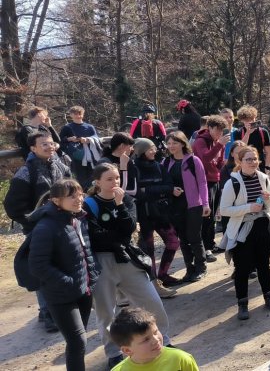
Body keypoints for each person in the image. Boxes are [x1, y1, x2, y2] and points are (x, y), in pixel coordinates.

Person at [83, 163, 172, 368]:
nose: (115, 182)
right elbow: (94, 236)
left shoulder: (127, 200)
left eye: (117, 178)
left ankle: (164, 340)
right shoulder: (89, 204)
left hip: (127, 258)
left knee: (151, 300)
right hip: (101, 261)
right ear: (97, 182)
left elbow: (130, 227)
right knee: (105, 311)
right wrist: (118, 234)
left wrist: (119, 205)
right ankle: (113, 353)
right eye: (109, 179)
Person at [27, 179, 100, 371]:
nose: (79, 199)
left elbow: (85, 251)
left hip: (83, 291)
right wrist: (68, 282)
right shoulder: (45, 227)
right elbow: (37, 266)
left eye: (80, 194)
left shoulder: (77, 218)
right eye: (72, 196)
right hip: (61, 295)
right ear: (56, 201)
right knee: (78, 341)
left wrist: (92, 277)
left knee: (78, 341)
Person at [4, 131, 71, 333]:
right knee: (43, 269)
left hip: (63, 225)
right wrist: (34, 221)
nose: (50, 147)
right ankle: (47, 312)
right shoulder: (26, 172)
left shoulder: (61, 166)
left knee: (63, 264)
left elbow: (73, 190)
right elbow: (12, 206)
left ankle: (62, 307)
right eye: (44, 144)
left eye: (51, 143)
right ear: (33, 148)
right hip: (38, 230)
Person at [219, 145, 270, 320]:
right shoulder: (232, 183)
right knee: (242, 268)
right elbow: (224, 210)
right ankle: (242, 304)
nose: (253, 162)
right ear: (240, 161)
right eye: (248, 159)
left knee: (264, 264)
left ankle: (269, 297)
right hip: (242, 229)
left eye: (255, 159)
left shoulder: (263, 178)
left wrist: (268, 199)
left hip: (262, 225)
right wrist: (248, 208)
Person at [132, 139, 181, 293]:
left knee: (173, 242)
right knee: (149, 250)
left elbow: (169, 186)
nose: (154, 151)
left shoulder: (159, 166)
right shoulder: (134, 168)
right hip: (143, 215)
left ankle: (163, 274)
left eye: (154, 148)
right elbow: (137, 192)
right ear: (141, 152)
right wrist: (160, 190)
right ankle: (154, 283)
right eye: (150, 149)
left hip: (161, 213)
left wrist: (150, 190)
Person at [162, 131, 210, 282]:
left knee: (194, 237)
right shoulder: (165, 163)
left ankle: (201, 267)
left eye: (175, 143)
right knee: (182, 239)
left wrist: (205, 203)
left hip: (194, 205)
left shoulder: (193, 161)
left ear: (183, 143)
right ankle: (189, 269)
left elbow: (202, 183)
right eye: (169, 143)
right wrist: (171, 190)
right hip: (174, 207)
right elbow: (163, 184)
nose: (171, 146)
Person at [108, 307, 199, 371]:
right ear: (127, 350)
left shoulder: (180, 359)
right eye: (146, 339)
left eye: (155, 332)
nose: (156, 340)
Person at [191, 116, 230, 263]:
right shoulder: (201, 141)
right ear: (210, 128)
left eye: (222, 130)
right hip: (203, 182)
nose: (219, 133)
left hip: (215, 180)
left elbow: (218, 162)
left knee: (213, 215)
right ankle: (204, 248)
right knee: (205, 215)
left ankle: (210, 244)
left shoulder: (219, 142)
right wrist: (219, 145)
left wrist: (221, 164)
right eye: (217, 130)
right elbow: (205, 158)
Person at [60, 106, 100, 189]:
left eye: (80, 114)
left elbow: (96, 138)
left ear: (83, 114)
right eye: (75, 114)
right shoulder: (67, 127)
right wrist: (69, 139)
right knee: (79, 178)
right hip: (76, 157)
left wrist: (88, 140)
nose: (78, 116)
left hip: (90, 156)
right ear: (71, 115)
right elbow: (60, 140)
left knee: (92, 176)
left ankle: (91, 191)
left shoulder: (89, 127)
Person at [100, 133, 140, 197]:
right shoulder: (105, 162)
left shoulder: (128, 160)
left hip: (128, 198)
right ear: (122, 146)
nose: (132, 149)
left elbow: (133, 189)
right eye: (130, 146)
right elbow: (119, 190)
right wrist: (123, 167)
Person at [236, 105, 270, 173]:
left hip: (260, 167)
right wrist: (247, 133)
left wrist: (267, 167)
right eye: (247, 120)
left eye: (252, 119)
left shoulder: (263, 132)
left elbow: (268, 152)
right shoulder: (238, 132)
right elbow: (240, 149)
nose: (251, 122)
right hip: (244, 168)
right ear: (242, 121)